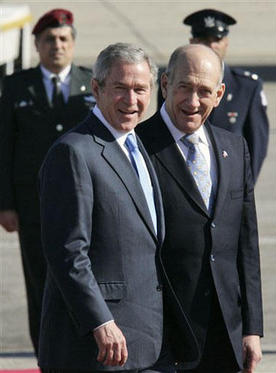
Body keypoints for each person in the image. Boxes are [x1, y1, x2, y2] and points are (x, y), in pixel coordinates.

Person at [37, 42, 184, 373]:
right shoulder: (74, 152)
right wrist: (100, 320)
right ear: (96, 89)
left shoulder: (137, 144)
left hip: (148, 341)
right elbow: (67, 252)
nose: (131, 100)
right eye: (120, 88)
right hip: (97, 348)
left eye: (140, 89)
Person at [137, 44, 263, 373]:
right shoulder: (136, 147)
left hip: (226, 335)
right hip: (163, 336)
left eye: (204, 91)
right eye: (184, 88)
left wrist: (252, 328)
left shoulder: (235, 148)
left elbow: (246, 246)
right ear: (165, 85)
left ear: (219, 94)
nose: (193, 102)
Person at [0, 8, 94, 355]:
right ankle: (46, 353)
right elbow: (4, 146)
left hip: (82, 204)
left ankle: (81, 350)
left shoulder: (90, 84)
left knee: (81, 279)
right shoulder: (15, 86)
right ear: (37, 45)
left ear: (72, 43)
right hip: (32, 206)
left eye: (64, 39)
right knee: (39, 282)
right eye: (50, 40)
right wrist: (5, 204)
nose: (57, 45)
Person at [157, 8, 269, 184]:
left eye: (217, 39)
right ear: (192, 41)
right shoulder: (174, 83)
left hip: (228, 185)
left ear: (226, 42)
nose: (211, 45)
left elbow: (256, 148)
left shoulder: (247, 87)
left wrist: (241, 191)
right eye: (203, 39)